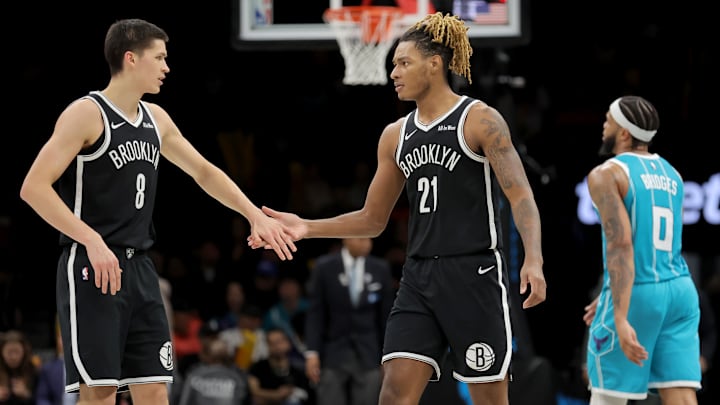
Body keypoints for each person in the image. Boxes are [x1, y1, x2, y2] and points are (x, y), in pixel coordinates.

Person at [251, 12, 546, 405]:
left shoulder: (479, 119)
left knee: (490, 400)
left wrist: (533, 260)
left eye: (404, 62)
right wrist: (306, 226)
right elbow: (372, 220)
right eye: (392, 64)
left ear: (435, 64)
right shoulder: (395, 135)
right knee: (392, 394)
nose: (394, 72)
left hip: (473, 274)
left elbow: (521, 195)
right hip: (419, 277)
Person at [18, 18, 297, 405]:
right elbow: (33, 188)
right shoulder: (86, 113)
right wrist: (91, 239)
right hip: (92, 264)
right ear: (131, 59)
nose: (167, 67)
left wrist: (253, 213)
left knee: (152, 387)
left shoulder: (157, 118)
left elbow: (203, 170)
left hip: (140, 268)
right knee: (100, 391)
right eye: (160, 57)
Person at [582, 95, 701, 405]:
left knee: (608, 395)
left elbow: (622, 245)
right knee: (682, 394)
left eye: (609, 119)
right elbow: (654, 244)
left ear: (624, 133)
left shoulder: (606, 174)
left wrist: (619, 315)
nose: (603, 124)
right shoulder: (671, 174)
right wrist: (609, 291)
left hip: (640, 295)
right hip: (680, 291)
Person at [304, 237, 395, 405]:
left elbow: (386, 316)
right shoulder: (325, 266)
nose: (366, 243)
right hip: (332, 351)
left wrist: (387, 356)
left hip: (369, 353)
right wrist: (312, 352)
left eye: (369, 239)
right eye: (361, 238)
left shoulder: (380, 268)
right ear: (346, 238)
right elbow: (316, 314)